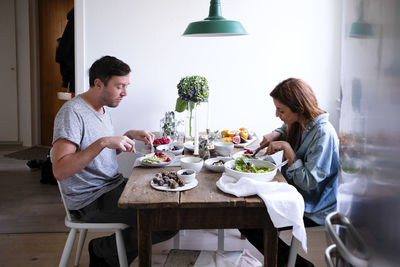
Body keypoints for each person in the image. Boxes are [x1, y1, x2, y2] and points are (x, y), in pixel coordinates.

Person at [52, 56, 177, 267]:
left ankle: (112, 255)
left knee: (168, 202)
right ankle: (104, 250)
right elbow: (60, 170)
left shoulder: (102, 109)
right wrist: (103, 142)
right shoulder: (72, 113)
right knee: (166, 219)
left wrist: (125, 137)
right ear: (98, 83)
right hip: (89, 200)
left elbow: (95, 155)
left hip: (112, 185)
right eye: (119, 86)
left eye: (126, 86)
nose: (125, 93)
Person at [240, 78, 339, 267]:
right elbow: (285, 128)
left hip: (314, 205)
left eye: (281, 110)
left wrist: (288, 149)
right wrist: (276, 134)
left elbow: (309, 182)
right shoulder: (302, 122)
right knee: (247, 214)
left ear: (299, 108)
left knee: (250, 219)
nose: (277, 115)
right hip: (295, 192)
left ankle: (300, 266)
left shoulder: (323, 134)